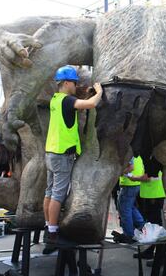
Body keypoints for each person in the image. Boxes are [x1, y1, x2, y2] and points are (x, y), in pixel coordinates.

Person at [43, 65, 102, 242]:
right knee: (58, 195)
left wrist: (84, 94)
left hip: (51, 153)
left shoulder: (55, 100)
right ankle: (53, 232)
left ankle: (48, 226)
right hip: (62, 155)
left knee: (49, 192)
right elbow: (91, 104)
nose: (76, 86)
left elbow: (74, 108)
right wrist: (98, 92)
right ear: (67, 82)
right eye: (74, 83)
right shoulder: (67, 101)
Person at [115, 156, 146, 244]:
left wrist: (118, 172)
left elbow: (131, 167)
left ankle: (128, 234)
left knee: (124, 209)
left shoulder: (129, 152)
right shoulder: (137, 153)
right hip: (135, 183)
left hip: (129, 184)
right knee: (130, 207)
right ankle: (141, 226)